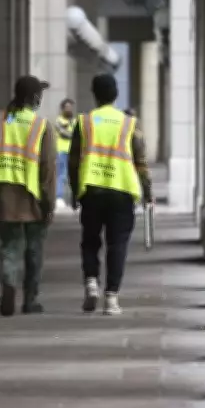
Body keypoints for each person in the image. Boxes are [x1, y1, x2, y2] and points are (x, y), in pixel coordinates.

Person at [68, 73, 153, 315]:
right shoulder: (129, 123)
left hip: (92, 189)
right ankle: (111, 298)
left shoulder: (84, 122)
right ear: (116, 94)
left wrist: (75, 191)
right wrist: (148, 191)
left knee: (90, 241)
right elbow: (141, 161)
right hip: (121, 191)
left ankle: (91, 283)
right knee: (118, 244)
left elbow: (74, 162)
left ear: (94, 95)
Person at [0, 75, 57, 317]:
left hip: (5, 195)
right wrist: (49, 204)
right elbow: (48, 169)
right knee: (34, 250)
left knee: (9, 246)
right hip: (33, 197)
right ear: (34, 98)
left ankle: (9, 284)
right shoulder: (41, 126)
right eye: (40, 95)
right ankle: (30, 300)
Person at [54, 99, 76, 208]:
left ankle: (74, 199)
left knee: (73, 176)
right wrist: (73, 134)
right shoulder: (58, 121)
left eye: (70, 107)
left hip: (73, 152)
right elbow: (64, 134)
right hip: (62, 151)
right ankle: (59, 197)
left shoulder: (75, 121)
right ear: (63, 109)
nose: (69, 109)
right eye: (67, 107)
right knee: (61, 175)